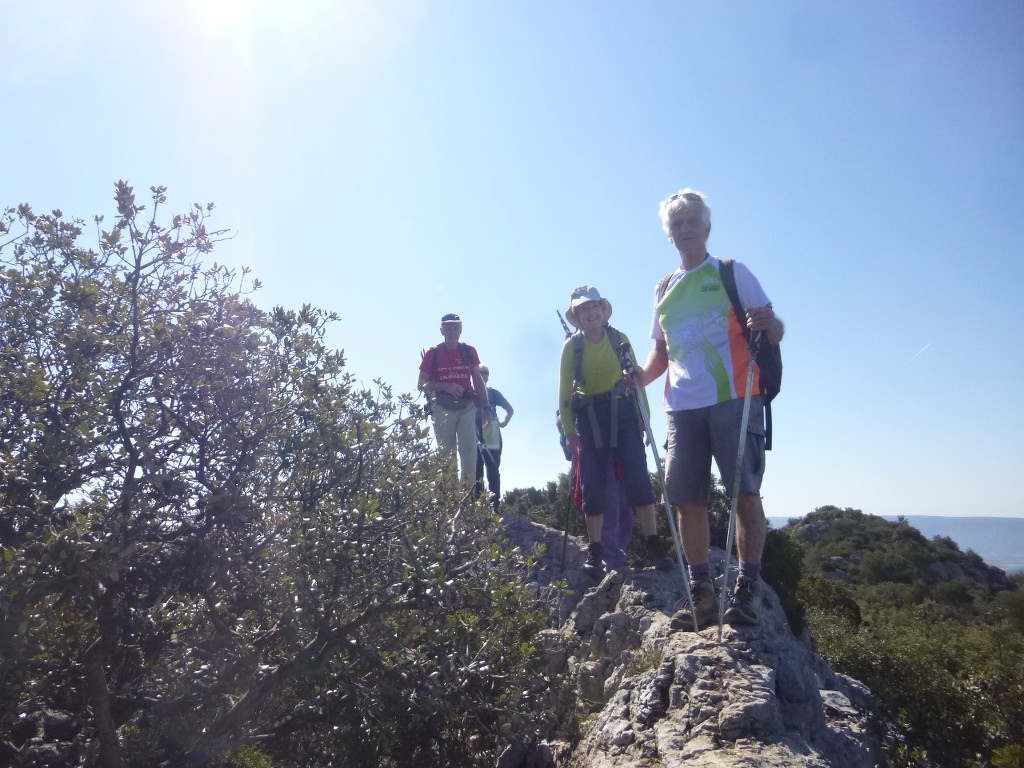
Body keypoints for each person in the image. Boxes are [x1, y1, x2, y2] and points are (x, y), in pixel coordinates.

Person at [637, 189, 785, 629]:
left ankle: (748, 587)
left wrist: (769, 325)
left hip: (736, 395)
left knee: (743, 493)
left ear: (706, 228)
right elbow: (660, 352)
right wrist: (639, 379)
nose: (684, 230)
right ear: (669, 235)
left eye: (691, 222)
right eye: (676, 224)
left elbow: (774, 329)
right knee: (686, 499)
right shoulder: (664, 288)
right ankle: (701, 591)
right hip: (681, 406)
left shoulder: (731, 273)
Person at [558, 286, 673, 577]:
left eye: (594, 307)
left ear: (602, 309)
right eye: (584, 309)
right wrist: (570, 431)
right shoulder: (572, 347)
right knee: (593, 487)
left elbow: (636, 379)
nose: (591, 312)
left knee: (638, 481)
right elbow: (563, 393)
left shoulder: (618, 338)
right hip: (590, 418)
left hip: (622, 413)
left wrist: (643, 418)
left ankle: (653, 545)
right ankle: (596, 552)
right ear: (577, 316)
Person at [418, 313, 490, 487]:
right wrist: (445, 386)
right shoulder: (432, 353)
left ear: (461, 329)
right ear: (441, 330)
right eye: (448, 327)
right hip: (442, 408)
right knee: (446, 455)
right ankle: (450, 501)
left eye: (456, 327)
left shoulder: (469, 351)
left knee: (469, 454)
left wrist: (486, 408)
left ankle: (466, 501)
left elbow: (478, 381)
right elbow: (421, 383)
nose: (452, 330)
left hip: (466, 406)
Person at [475, 364, 513, 511]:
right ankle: (477, 503)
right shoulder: (470, 392)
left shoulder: (493, 393)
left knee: (492, 467)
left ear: (488, 376)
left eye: (485, 373)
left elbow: (510, 410)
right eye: (480, 372)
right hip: (472, 429)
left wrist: (503, 423)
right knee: (476, 467)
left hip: (490, 428)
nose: (483, 375)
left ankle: (494, 504)